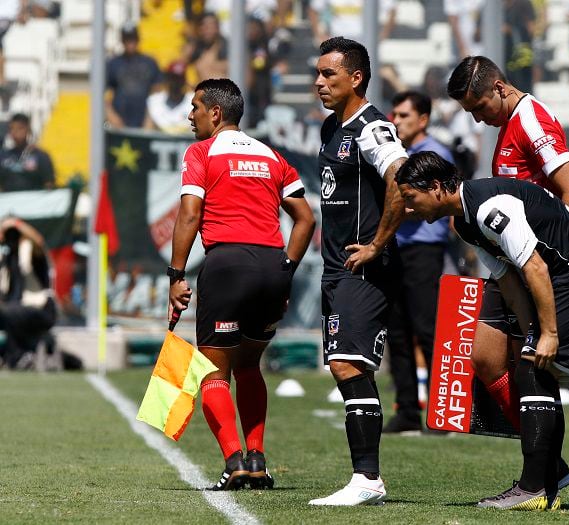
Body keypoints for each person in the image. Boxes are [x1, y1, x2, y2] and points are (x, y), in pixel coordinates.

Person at [397, 151, 569, 509]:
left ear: (436, 188)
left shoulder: (487, 210)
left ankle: (533, 489)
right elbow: (508, 280)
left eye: (411, 198)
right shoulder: (465, 222)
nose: (408, 208)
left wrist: (546, 334)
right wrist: (533, 332)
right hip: (558, 280)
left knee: (532, 370)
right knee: (532, 370)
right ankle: (547, 480)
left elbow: (534, 268)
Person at [446, 55, 569, 488]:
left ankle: (542, 473)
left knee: (532, 365)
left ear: (500, 88)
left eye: (479, 107)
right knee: (483, 357)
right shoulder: (506, 123)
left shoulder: (532, 120)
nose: (477, 118)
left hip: (537, 266)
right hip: (513, 265)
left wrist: (558, 269)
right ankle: (551, 466)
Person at [168, 78, 315, 491]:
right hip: (272, 268)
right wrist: (286, 267)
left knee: (214, 373)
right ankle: (257, 462)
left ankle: (233, 461)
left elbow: (189, 215)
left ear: (215, 113)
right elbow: (305, 218)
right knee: (250, 366)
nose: (190, 115)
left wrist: (176, 275)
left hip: (227, 266)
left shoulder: (201, 151)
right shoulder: (271, 155)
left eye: (195, 107)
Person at [308, 37, 407, 506]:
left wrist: (377, 245)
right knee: (342, 364)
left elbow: (401, 180)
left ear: (356, 77)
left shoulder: (372, 126)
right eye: (318, 73)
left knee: (348, 363)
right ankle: (365, 478)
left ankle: (367, 479)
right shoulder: (332, 128)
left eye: (329, 74)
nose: (319, 82)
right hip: (334, 269)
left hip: (362, 269)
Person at [383, 90, 454, 434]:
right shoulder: (398, 154)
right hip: (396, 247)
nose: (395, 121)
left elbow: (429, 206)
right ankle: (407, 408)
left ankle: (441, 414)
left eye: (403, 116)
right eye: (394, 115)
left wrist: (391, 212)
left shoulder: (436, 155)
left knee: (427, 328)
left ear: (423, 119)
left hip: (424, 250)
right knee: (397, 331)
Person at [0, 216, 56, 369]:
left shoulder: (31, 252)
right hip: (15, 310)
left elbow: (38, 241)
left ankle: (18, 357)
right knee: (8, 312)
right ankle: (13, 356)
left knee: (8, 312)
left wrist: (15, 224)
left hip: (41, 309)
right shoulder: (7, 258)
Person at [105, 23, 162, 129]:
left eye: (133, 38)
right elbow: (103, 95)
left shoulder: (150, 62)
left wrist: (151, 118)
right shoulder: (113, 63)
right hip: (119, 124)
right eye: (127, 39)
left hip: (145, 124)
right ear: (122, 40)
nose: (130, 42)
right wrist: (111, 116)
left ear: (138, 39)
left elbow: (157, 93)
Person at [0, 112, 55, 191]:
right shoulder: (3, 156)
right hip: (9, 202)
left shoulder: (40, 156)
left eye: (20, 128)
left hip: (34, 202)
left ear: (28, 129)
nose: (15, 132)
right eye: (12, 128)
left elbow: (49, 185)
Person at [145, 61, 194, 135]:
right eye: (173, 78)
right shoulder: (154, 101)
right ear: (167, 79)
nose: (176, 82)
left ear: (184, 80)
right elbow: (147, 131)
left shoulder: (194, 102)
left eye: (179, 79)